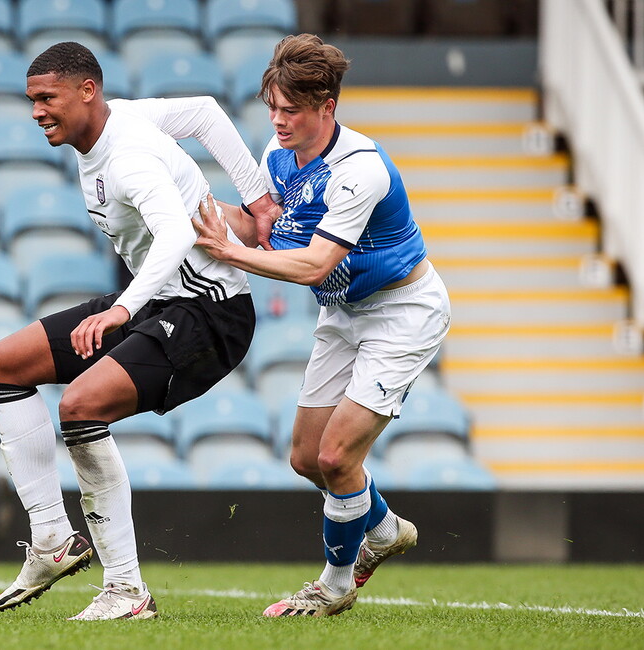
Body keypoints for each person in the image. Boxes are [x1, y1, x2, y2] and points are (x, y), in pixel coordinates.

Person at [0, 41, 279, 621]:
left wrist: (120, 311)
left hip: (209, 311)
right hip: (157, 299)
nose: (37, 111)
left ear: (87, 91)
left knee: (81, 406)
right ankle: (52, 538)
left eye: (47, 98)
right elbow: (205, 112)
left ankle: (126, 592)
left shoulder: (129, 158)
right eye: (32, 100)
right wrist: (257, 197)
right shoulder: (123, 119)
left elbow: (175, 235)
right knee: (4, 365)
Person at [193, 34, 452, 617]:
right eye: (272, 108)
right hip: (343, 312)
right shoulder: (279, 155)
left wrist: (231, 255)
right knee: (307, 458)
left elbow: (313, 264)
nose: (278, 121)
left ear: (327, 106)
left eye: (291, 110)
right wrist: (186, 206)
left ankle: (334, 587)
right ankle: (383, 529)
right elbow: (260, 227)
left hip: (402, 312)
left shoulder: (360, 170)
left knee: (336, 457)